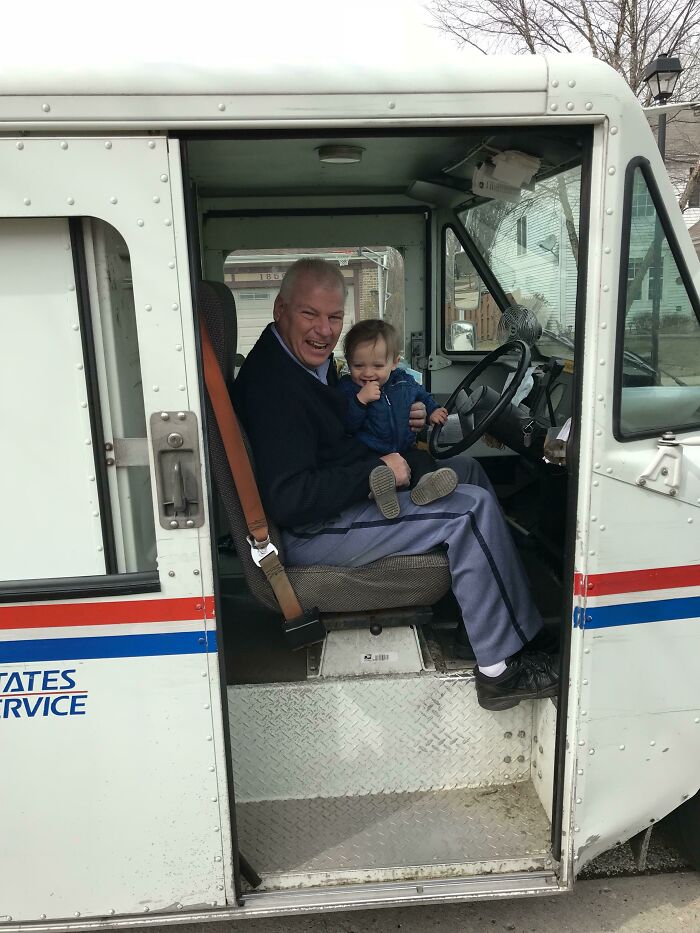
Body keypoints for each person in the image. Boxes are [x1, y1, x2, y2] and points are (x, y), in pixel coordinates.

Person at [233, 258, 558, 711]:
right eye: (310, 315)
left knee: (467, 472)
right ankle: (499, 671)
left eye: (333, 317)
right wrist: (377, 472)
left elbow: (337, 433)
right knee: (470, 510)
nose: (324, 331)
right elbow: (291, 500)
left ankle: (492, 622)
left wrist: (404, 429)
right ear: (280, 309)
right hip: (310, 532)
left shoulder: (302, 362)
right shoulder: (275, 388)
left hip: (335, 500)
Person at [338, 318, 458, 520]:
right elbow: (347, 424)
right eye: (358, 365)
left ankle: (425, 485)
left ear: (394, 362)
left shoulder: (403, 381)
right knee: (375, 471)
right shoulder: (348, 389)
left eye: (377, 365)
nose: (368, 373)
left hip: (404, 449)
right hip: (370, 453)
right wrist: (360, 401)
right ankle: (383, 494)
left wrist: (433, 411)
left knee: (422, 459)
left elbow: (423, 396)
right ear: (349, 362)